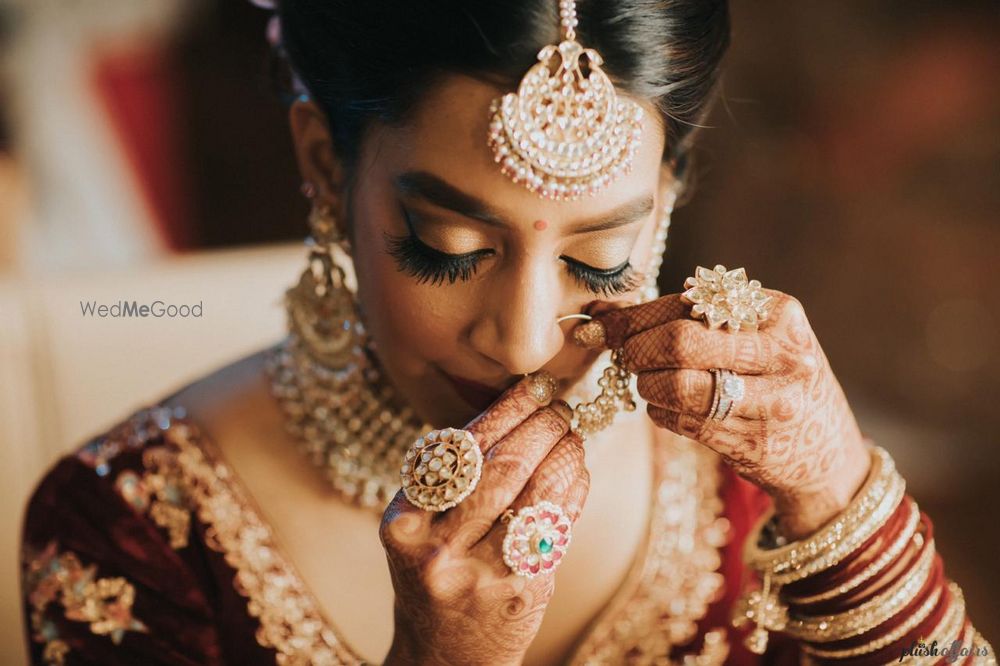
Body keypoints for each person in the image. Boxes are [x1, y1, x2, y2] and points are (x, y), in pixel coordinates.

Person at [18, 1, 995, 664]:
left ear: (668, 196)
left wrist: (838, 498)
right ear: (322, 162)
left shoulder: (746, 469)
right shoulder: (131, 532)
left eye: (600, 258)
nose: (525, 341)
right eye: (445, 245)